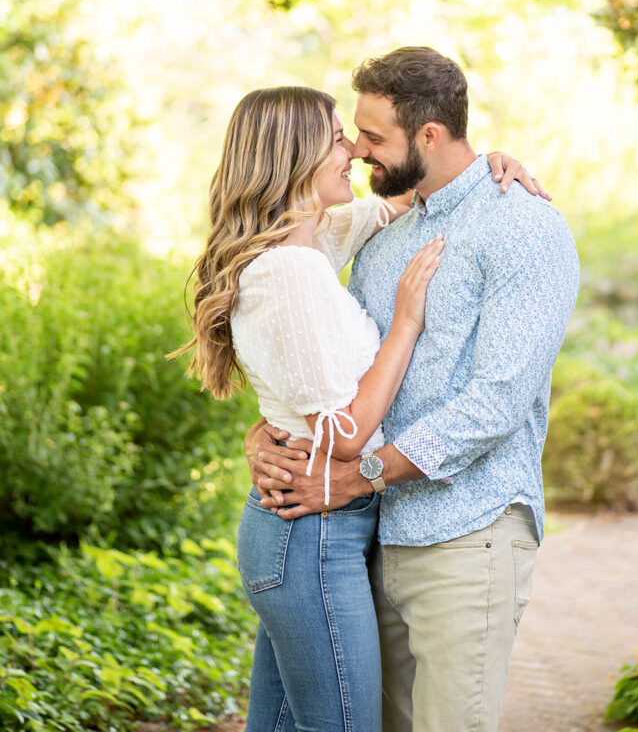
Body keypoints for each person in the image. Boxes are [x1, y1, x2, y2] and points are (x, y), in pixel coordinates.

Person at [173, 82, 544, 732]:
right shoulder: (290, 270)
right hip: (311, 537)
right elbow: (343, 436)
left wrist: (490, 163)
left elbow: (410, 195)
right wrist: (404, 324)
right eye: (338, 137)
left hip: (312, 532)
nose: (353, 150)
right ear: (296, 156)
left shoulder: (312, 242)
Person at [249, 47, 580, 732]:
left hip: (465, 534)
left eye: (372, 137)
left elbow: (496, 401)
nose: (356, 149)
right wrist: (275, 431)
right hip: (367, 541)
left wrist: (362, 476)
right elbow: (320, 357)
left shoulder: (522, 226)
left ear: (429, 135)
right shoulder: (388, 230)